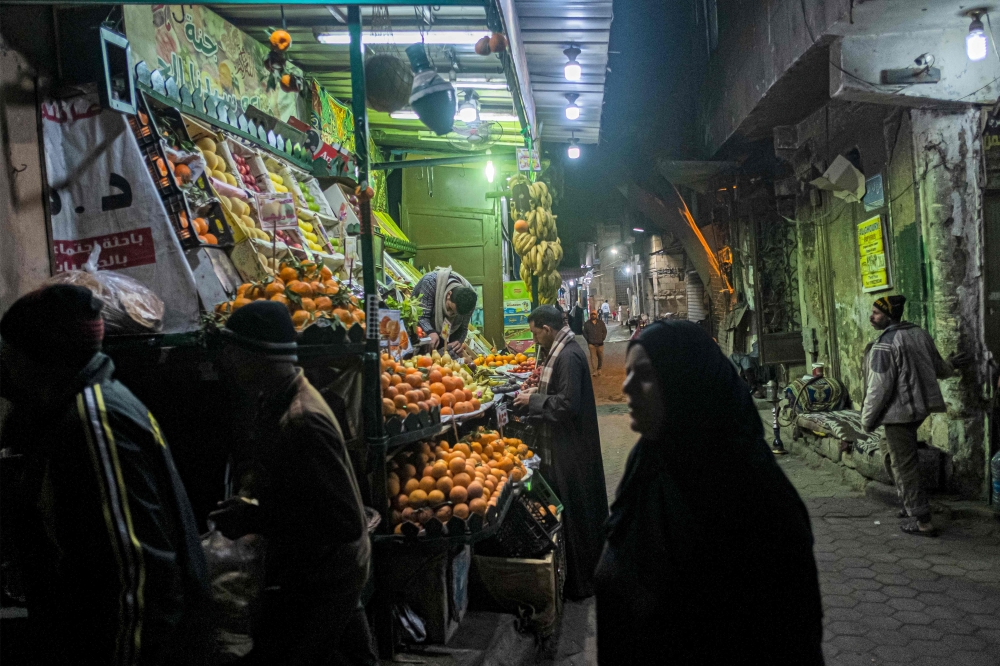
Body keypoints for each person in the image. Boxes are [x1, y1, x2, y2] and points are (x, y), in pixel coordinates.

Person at [0, 285, 210, 665]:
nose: (5, 362)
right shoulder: (92, 401)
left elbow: (138, 570)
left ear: (41, 356)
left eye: (10, 351)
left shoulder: (94, 420)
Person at [595, 320, 823, 665]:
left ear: (684, 382)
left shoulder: (754, 499)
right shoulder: (648, 464)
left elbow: (788, 637)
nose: (626, 388)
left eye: (644, 375)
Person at [209, 301, 373, 665]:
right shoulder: (278, 400)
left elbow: (342, 521)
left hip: (331, 573)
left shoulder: (302, 420)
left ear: (259, 356)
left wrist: (256, 519)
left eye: (235, 353)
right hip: (327, 567)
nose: (229, 364)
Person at [513, 306, 607, 599]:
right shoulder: (566, 348)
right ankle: (582, 579)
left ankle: (582, 584)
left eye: (535, 332)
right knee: (576, 512)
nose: (534, 339)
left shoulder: (567, 356)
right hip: (572, 444)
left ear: (547, 329)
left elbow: (567, 405)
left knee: (575, 513)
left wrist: (534, 401)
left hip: (572, 448)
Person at [862, 295, 969, 537]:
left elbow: (878, 389)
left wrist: (867, 420)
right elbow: (939, 368)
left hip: (898, 414)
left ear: (889, 316)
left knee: (904, 463)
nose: (872, 317)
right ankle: (908, 503)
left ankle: (922, 520)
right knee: (890, 450)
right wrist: (952, 364)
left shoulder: (884, 344)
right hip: (920, 408)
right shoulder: (919, 334)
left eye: (877, 313)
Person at [413, 266, 478, 353]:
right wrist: (430, 331)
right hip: (420, 331)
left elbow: (463, 327)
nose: (450, 314)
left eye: (456, 314)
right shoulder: (430, 282)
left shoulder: (470, 299)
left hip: (446, 335)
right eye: (450, 308)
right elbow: (421, 316)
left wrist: (458, 341)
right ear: (448, 294)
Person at [582, 309, 608, 376]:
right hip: (591, 344)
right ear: (590, 315)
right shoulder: (587, 324)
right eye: (592, 314)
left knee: (600, 357)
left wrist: (603, 338)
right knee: (593, 357)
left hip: (600, 343)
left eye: (594, 314)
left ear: (596, 315)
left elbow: (604, 331)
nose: (593, 315)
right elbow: (584, 332)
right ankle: (594, 371)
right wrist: (588, 340)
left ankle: (599, 368)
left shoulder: (601, 323)